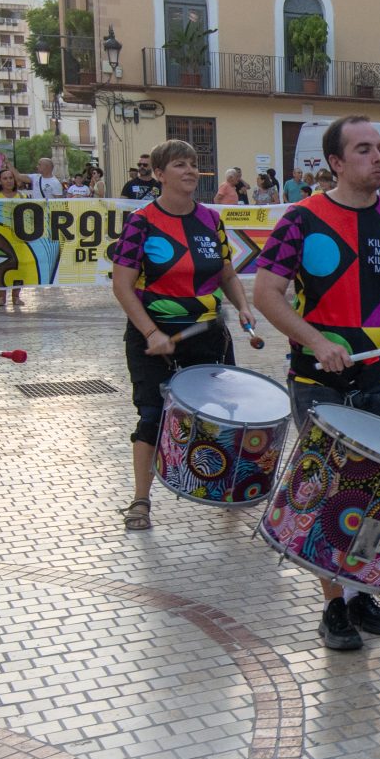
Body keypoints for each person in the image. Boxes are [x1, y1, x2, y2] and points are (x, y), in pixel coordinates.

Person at [251, 115, 380, 652]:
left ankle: (361, 589)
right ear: (336, 162)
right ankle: (332, 604)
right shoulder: (301, 219)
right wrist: (315, 341)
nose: (379, 158)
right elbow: (266, 294)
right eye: (364, 149)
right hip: (319, 377)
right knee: (330, 488)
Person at [112, 138, 258, 532]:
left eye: (194, 164)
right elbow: (123, 286)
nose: (191, 171)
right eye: (180, 165)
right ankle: (141, 500)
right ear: (159, 174)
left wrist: (243, 306)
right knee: (151, 415)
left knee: (222, 416)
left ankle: (228, 487)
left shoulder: (212, 220)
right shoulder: (141, 222)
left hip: (209, 334)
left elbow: (226, 273)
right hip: (154, 338)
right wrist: (151, 332)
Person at [0, 165, 30, 310]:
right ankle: (1, 296)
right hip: (0, 237)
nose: (8, 181)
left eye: (11, 178)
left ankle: (16, 296)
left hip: (19, 238)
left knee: (19, 266)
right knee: (1, 266)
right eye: (5, 178)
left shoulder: (23, 197)